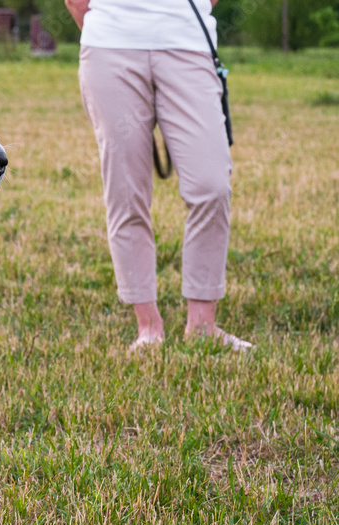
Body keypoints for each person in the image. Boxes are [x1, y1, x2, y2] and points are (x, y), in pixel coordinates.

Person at [65, 0, 252, 352]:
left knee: (211, 186)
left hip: (189, 45)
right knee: (126, 191)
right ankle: (148, 327)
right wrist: (110, 27)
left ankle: (203, 325)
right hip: (110, 46)